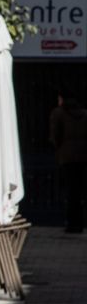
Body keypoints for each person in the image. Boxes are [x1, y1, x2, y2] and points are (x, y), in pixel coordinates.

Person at [51, 92, 87, 233]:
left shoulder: (59, 113)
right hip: (83, 156)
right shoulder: (84, 114)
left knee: (70, 191)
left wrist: (58, 148)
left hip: (66, 156)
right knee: (79, 190)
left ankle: (72, 223)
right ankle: (80, 222)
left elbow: (55, 135)